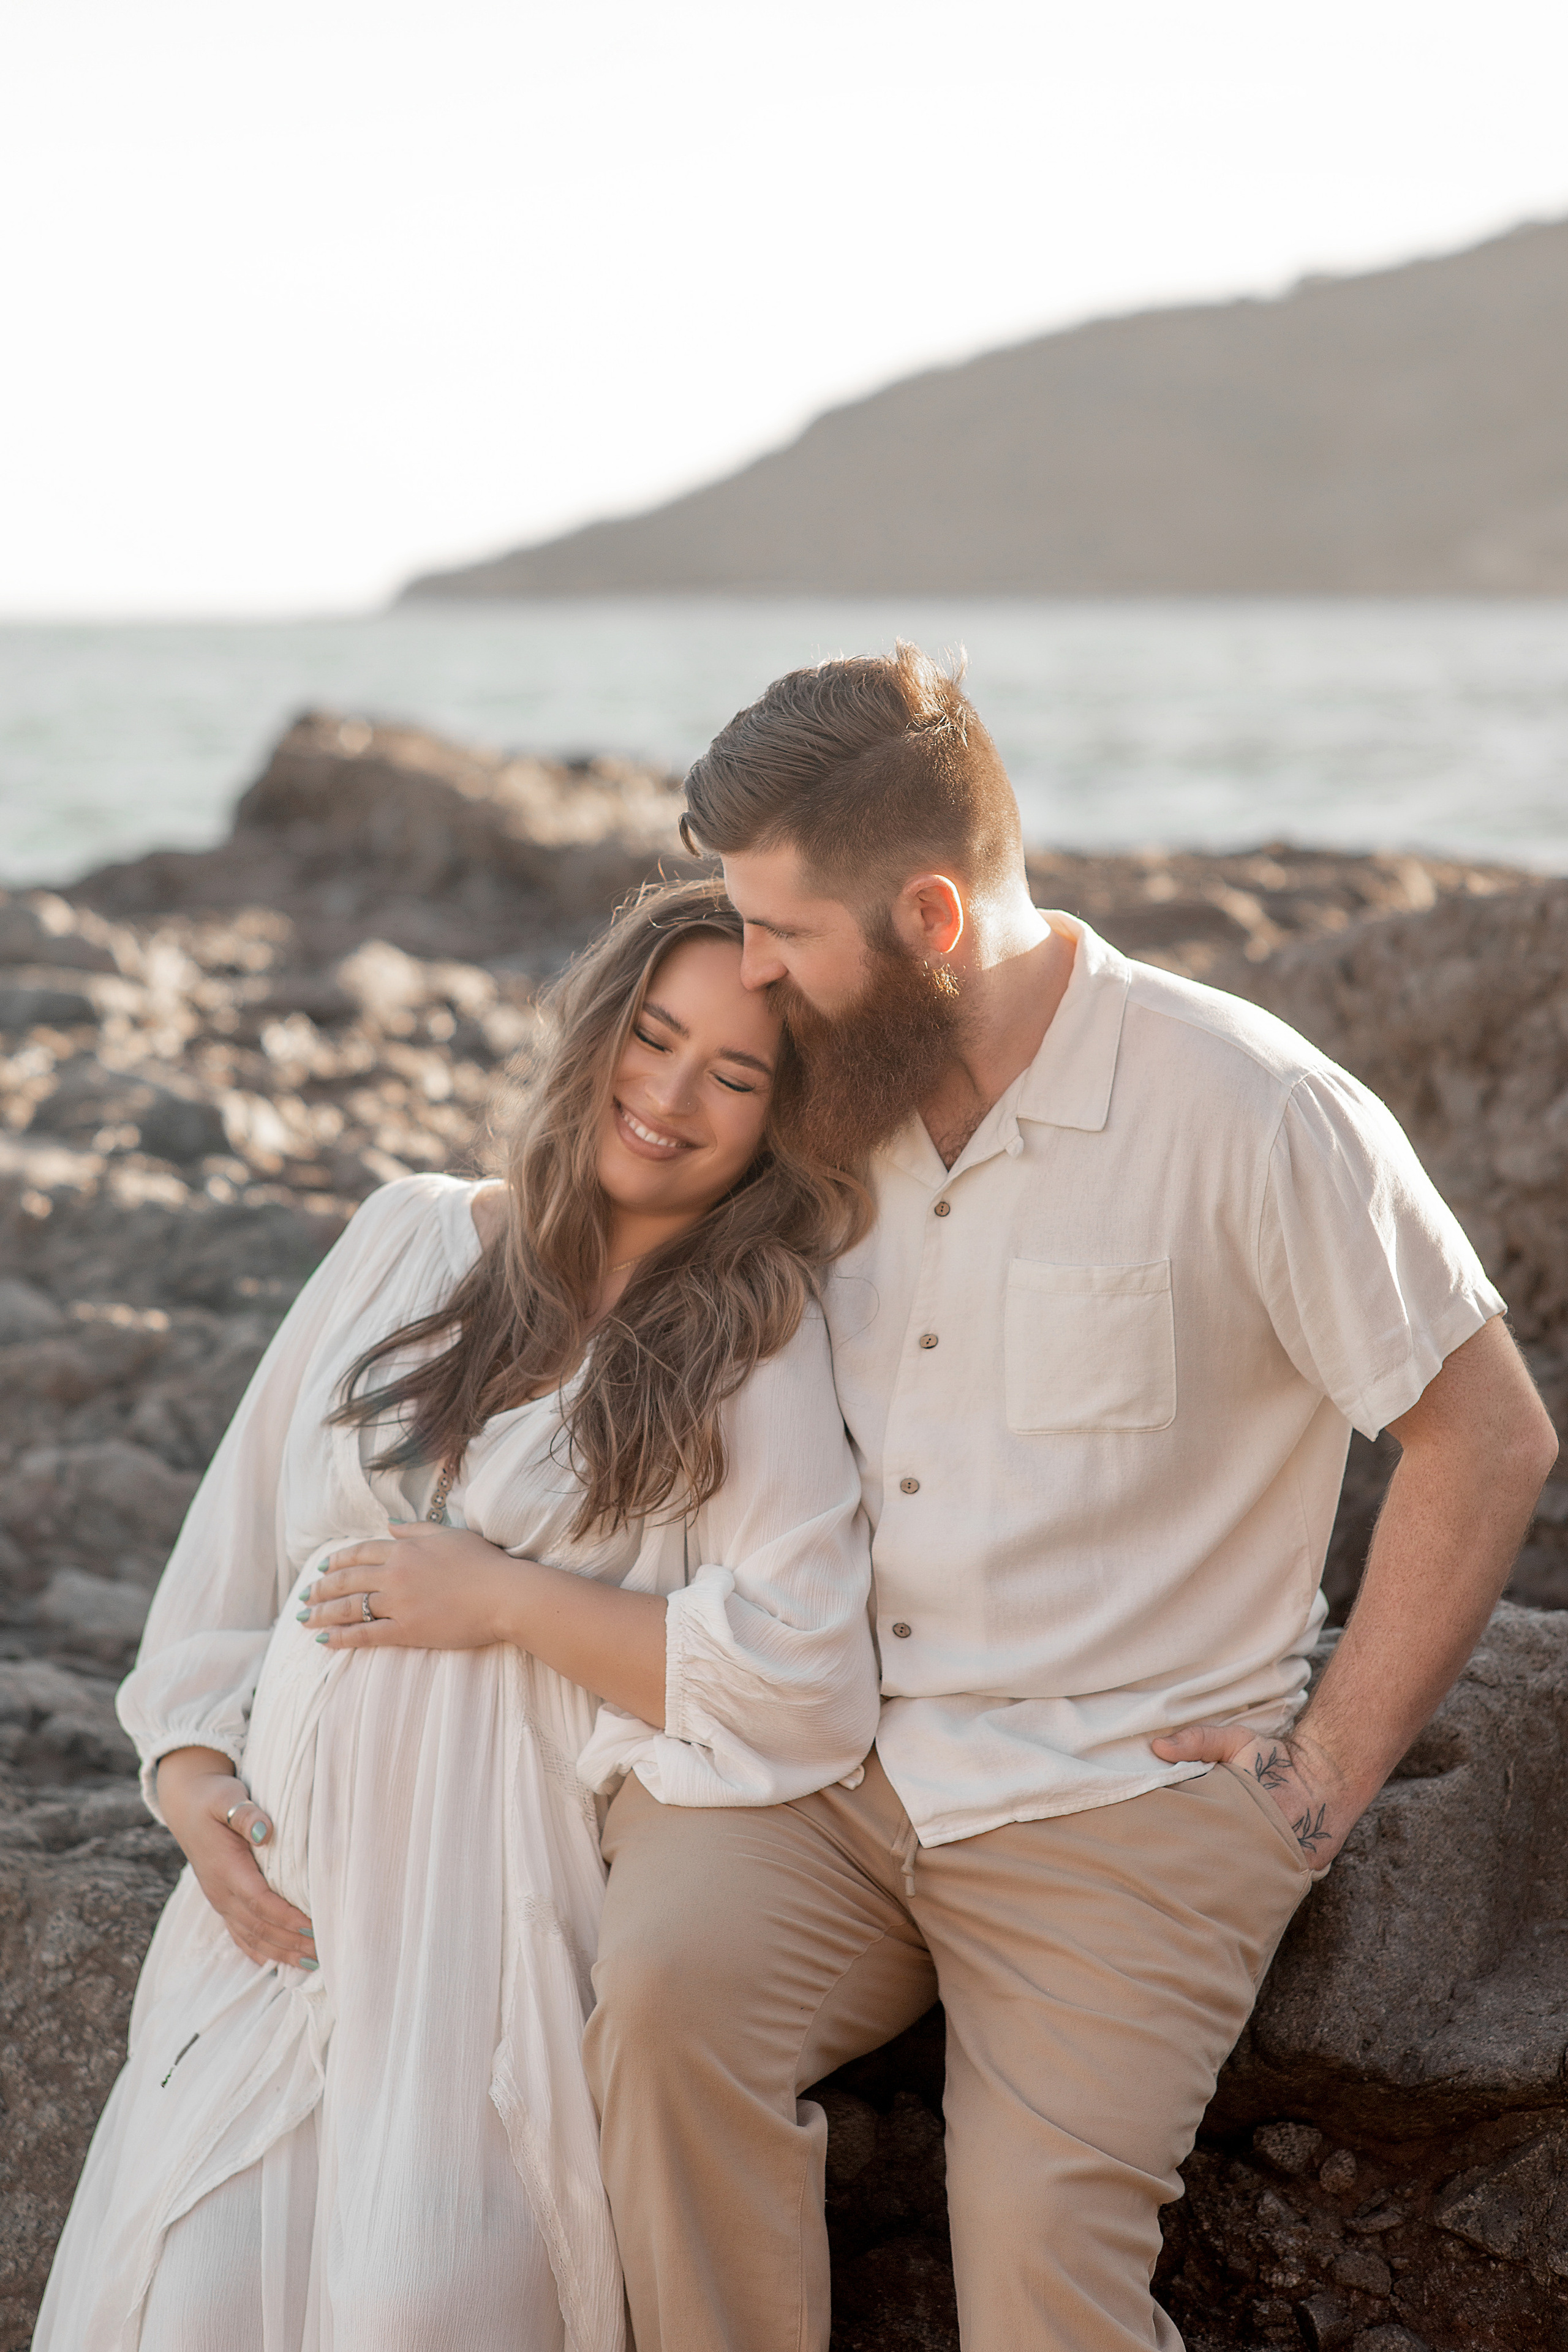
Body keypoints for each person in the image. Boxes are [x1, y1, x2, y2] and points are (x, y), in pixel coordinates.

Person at [582, 646, 1561, 2352]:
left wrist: (1318, 1783)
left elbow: (1488, 1437)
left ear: (933, 922)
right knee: (656, 2016)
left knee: (1039, 2260)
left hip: (1124, 1795)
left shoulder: (1253, 1107)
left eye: (785, 937)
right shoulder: (824, 1104)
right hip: (828, 1765)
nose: (750, 975)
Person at [35, 880, 880, 2352]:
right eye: (653, 1036)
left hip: (486, 1947)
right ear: (597, 1029)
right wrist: (183, 1777)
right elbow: (225, 1565)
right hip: (275, 1933)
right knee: (190, 2309)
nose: (670, 1096)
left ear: (779, 1120)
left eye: (733, 1075)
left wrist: (503, 1599)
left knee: (426, 2309)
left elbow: (804, 1676)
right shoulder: (406, 1238)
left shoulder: (748, 1332)